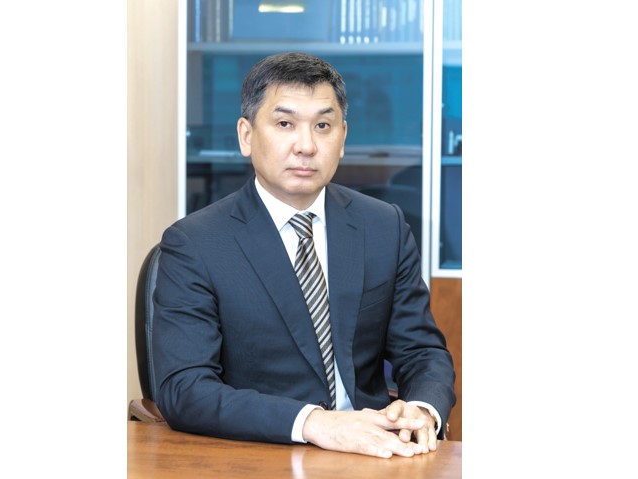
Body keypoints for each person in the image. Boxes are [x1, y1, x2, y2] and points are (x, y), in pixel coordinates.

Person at [152, 52, 456, 459]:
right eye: (285, 124)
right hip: (262, 454)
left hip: (374, 451)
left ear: (342, 137)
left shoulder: (384, 226)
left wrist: (421, 408)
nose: (307, 146)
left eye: (323, 126)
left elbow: (422, 352)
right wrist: (315, 423)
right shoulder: (195, 243)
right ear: (246, 135)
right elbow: (185, 389)